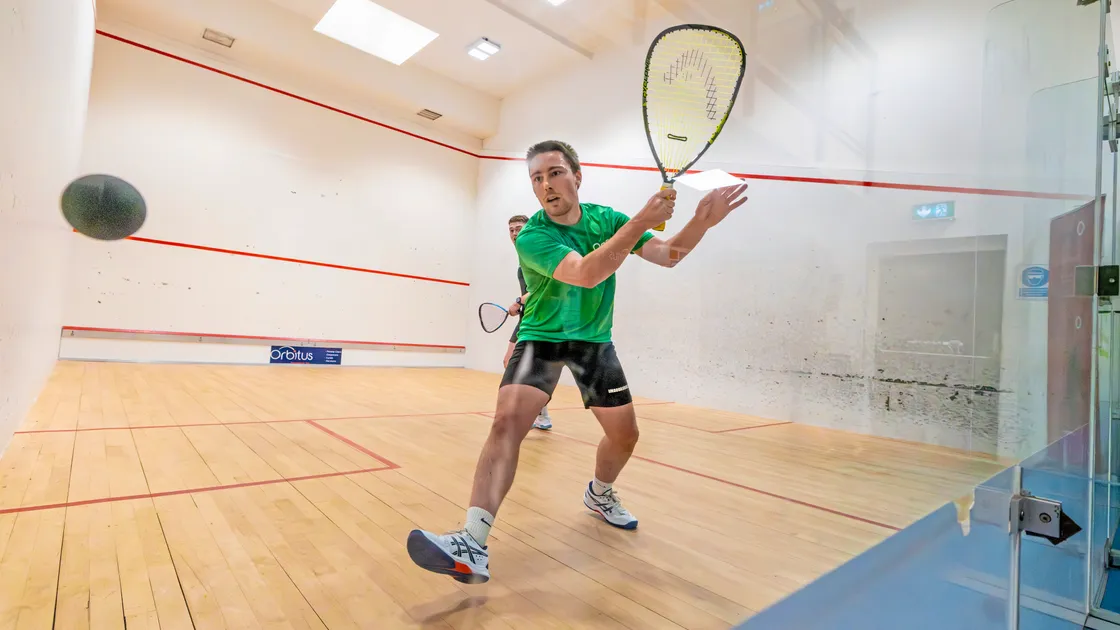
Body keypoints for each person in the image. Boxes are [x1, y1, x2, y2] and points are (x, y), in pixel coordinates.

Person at [406, 140, 748, 584]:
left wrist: (702, 223)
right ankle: (472, 542)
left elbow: (668, 255)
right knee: (507, 423)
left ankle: (600, 494)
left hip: (593, 343)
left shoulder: (607, 219)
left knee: (625, 437)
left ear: (577, 176)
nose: (545, 184)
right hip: (542, 339)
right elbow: (586, 274)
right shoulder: (532, 235)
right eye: (536, 178)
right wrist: (642, 221)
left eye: (554, 172)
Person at [504, 214, 552, 430]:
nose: (515, 233)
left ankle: (535, 412)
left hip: (543, 321)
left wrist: (518, 301)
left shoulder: (537, 255)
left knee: (534, 370)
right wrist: (521, 305)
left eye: (519, 228)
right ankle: (540, 415)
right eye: (512, 229)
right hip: (527, 318)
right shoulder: (521, 264)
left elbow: (545, 286)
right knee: (509, 362)